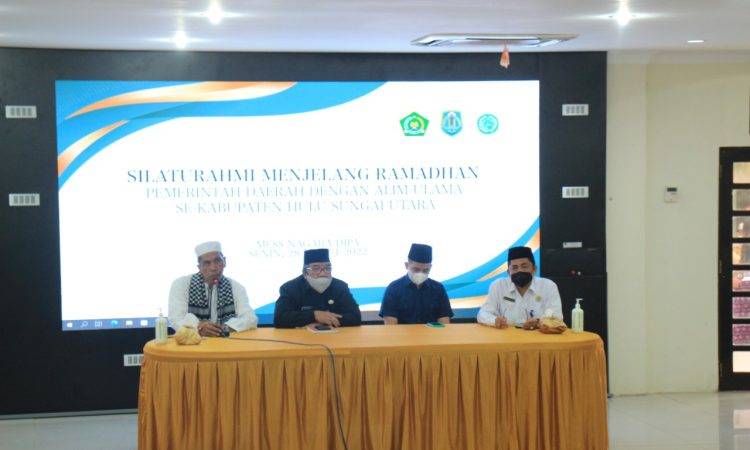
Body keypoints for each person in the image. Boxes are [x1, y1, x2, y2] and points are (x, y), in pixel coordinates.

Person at [168, 241, 258, 336]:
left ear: (224, 262)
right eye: (207, 263)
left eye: (217, 261)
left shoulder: (236, 287)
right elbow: (176, 319)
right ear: (199, 267)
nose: (213, 268)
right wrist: (198, 327)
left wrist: (223, 328)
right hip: (193, 342)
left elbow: (250, 318)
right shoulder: (181, 284)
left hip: (225, 342)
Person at [477, 246, 562, 329]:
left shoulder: (548, 286)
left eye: (524, 266)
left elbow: (557, 316)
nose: (520, 270)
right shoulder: (498, 286)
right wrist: (495, 320)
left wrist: (538, 323)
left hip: (538, 336)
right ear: (508, 272)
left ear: (534, 269)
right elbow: (483, 314)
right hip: (506, 336)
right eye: (514, 268)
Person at [273, 248, 362, 328]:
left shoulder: (340, 287)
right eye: (316, 268)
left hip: (335, 337)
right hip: (302, 337)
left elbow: (355, 317)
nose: (323, 273)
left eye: (327, 268)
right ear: (305, 272)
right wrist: (314, 315)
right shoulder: (290, 288)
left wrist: (323, 321)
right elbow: (280, 319)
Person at [379, 243, 453, 325]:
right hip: (403, 333)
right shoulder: (393, 289)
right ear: (407, 265)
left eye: (425, 270)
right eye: (416, 269)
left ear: (430, 268)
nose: (420, 273)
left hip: (432, 333)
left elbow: (444, 323)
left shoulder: (438, 289)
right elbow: (391, 327)